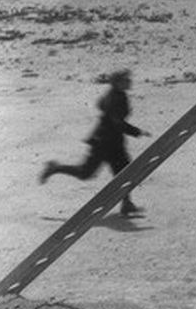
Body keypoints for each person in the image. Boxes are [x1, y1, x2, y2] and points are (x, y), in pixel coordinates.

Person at [40, 70, 146, 216]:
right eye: (125, 80)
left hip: (114, 143)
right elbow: (117, 123)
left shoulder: (118, 95)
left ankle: (126, 204)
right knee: (85, 173)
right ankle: (55, 168)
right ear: (117, 83)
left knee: (126, 172)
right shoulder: (115, 98)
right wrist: (137, 132)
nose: (129, 81)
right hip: (103, 143)